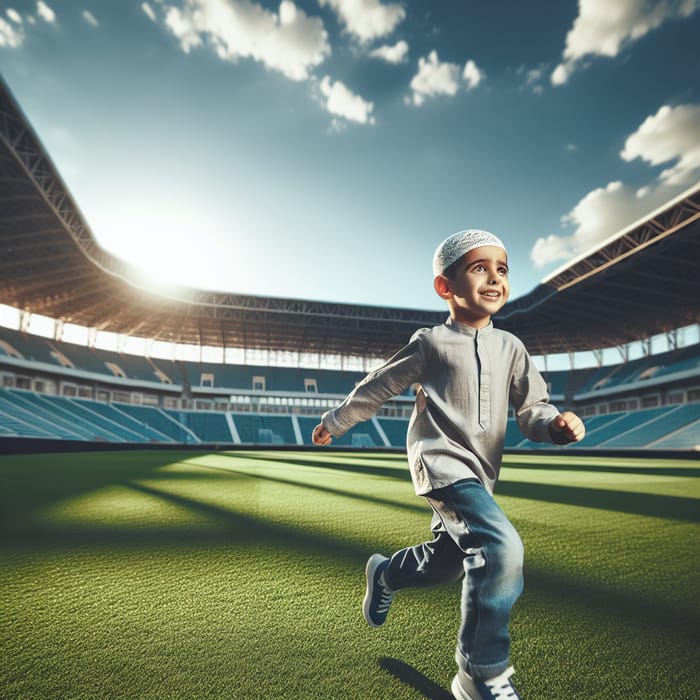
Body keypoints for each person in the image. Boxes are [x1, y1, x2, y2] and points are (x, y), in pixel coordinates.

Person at [312, 229, 585, 700]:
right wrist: (335, 422)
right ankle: (479, 671)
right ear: (446, 286)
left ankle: (386, 573)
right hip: (439, 465)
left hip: (481, 475)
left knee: (447, 564)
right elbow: (377, 386)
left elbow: (531, 409)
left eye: (502, 269)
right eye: (480, 268)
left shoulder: (512, 348)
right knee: (501, 551)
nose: (495, 278)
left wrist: (554, 425)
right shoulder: (431, 343)